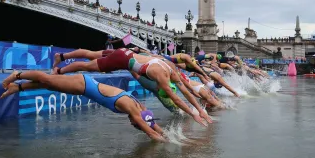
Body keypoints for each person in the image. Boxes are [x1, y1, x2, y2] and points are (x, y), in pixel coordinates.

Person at [51, 48, 213, 126]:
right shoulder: (162, 77)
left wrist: (198, 110)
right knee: (88, 66)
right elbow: (177, 98)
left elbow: (185, 90)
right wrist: (194, 115)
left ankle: (62, 56)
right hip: (121, 60)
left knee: (91, 54)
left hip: (125, 52)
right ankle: (59, 70)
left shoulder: (169, 68)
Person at [0, 71, 167, 142]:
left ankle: (18, 87)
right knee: (48, 80)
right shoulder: (131, 108)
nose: (132, 124)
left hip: (85, 87)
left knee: (49, 85)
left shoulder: (140, 107)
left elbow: (151, 124)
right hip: (83, 84)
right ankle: (17, 75)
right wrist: (171, 144)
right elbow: (149, 131)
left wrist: (167, 135)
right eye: (134, 124)